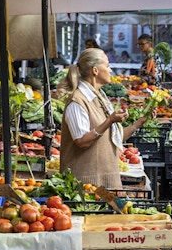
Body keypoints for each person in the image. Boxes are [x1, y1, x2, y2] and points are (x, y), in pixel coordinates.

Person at [60, 48, 149, 187]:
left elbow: (115, 138)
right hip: (85, 186)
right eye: (107, 66)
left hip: (107, 183)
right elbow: (81, 141)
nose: (110, 70)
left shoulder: (101, 97)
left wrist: (141, 121)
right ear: (95, 70)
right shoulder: (77, 101)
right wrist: (109, 121)